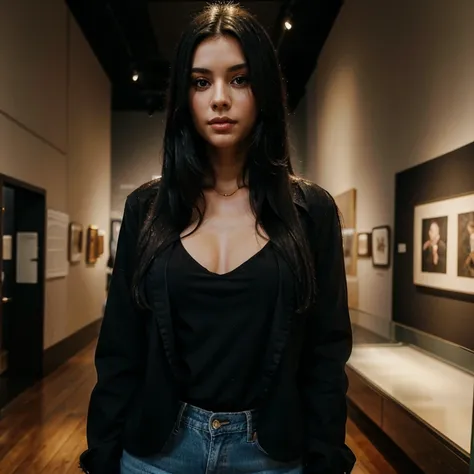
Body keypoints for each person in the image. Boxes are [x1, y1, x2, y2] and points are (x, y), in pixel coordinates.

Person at [79, 3, 355, 474]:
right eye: (201, 81)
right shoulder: (147, 208)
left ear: (263, 89)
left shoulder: (312, 212)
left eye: (240, 79)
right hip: (158, 451)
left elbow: (326, 354)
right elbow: (119, 347)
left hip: (269, 453)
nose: (220, 98)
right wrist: (103, 453)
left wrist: (325, 458)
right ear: (184, 96)